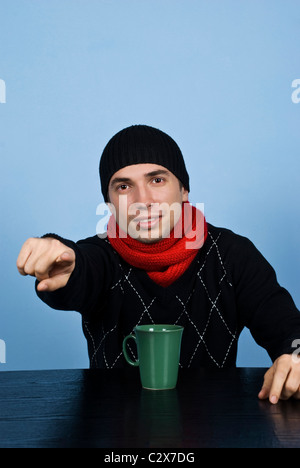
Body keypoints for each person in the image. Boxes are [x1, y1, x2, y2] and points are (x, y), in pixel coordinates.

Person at [17, 124, 300, 404]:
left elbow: (287, 328)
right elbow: (80, 270)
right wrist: (60, 260)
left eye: (157, 180)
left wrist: (295, 358)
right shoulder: (100, 254)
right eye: (124, 186)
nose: (143, 201)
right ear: (110, 202)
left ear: (184, 189)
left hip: (216, 425)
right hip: (114, 429)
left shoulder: (232, 254)